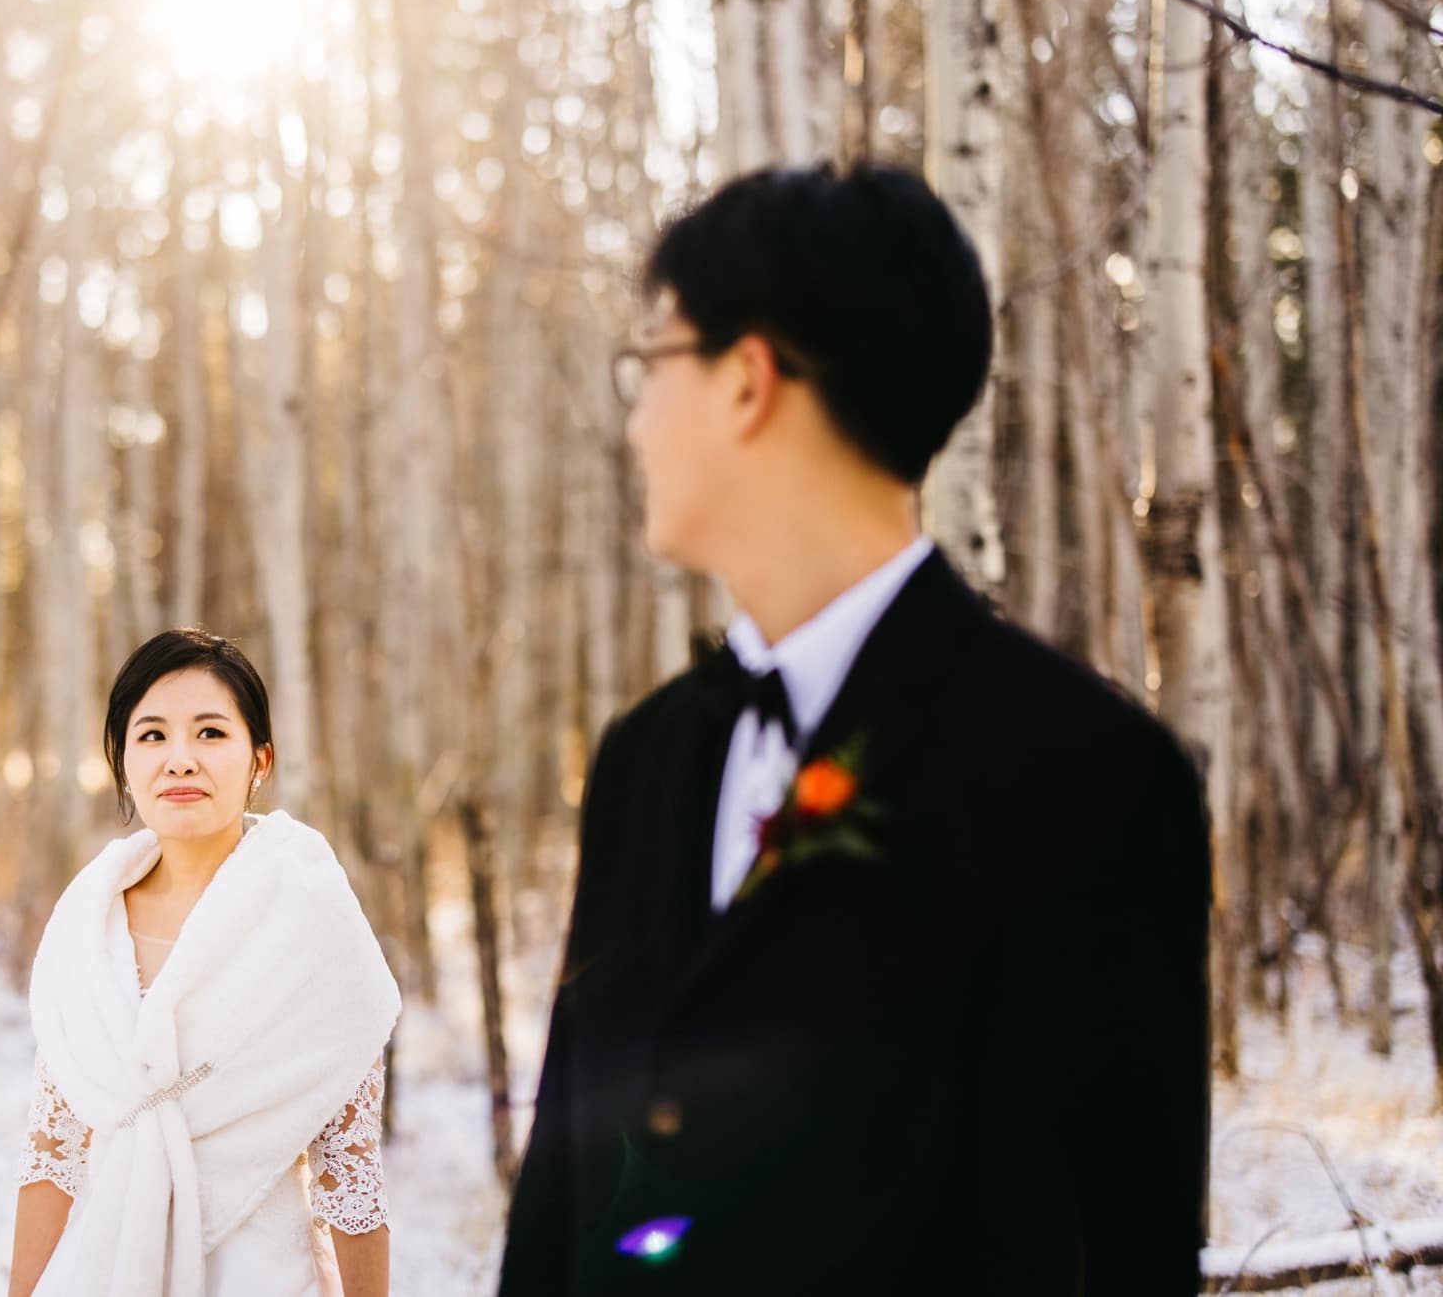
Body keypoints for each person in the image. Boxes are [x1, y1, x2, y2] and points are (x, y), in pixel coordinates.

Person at [497, 163, 1212, 1295]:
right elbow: (562, 1209)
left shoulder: (1083, 778)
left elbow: (1108, 1248)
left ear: (748, 379)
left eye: (651, 362)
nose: (633, 419)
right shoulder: (646, 759)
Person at [9, 629, 399, 1297]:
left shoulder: (311, 919)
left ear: (261, 758)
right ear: (123, 758)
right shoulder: (87, 923)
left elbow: (349, 1169)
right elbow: (53, 1156)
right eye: (152, 734)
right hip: (99, 1273)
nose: (180, 759)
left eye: (211, 733)